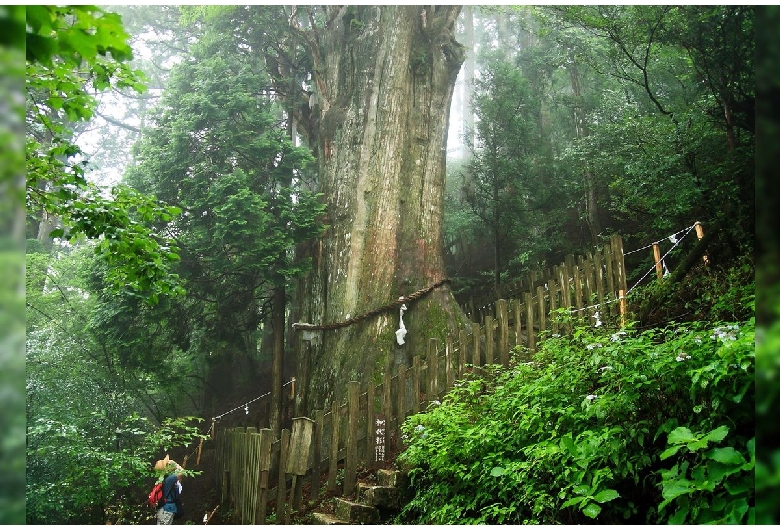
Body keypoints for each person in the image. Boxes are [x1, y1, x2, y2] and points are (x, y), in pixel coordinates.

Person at [156, 460, 184, 525]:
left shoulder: (164, 478)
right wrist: (176, 464)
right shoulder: (170, 478)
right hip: (167, 510)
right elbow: (183, 472)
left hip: (164, 509)